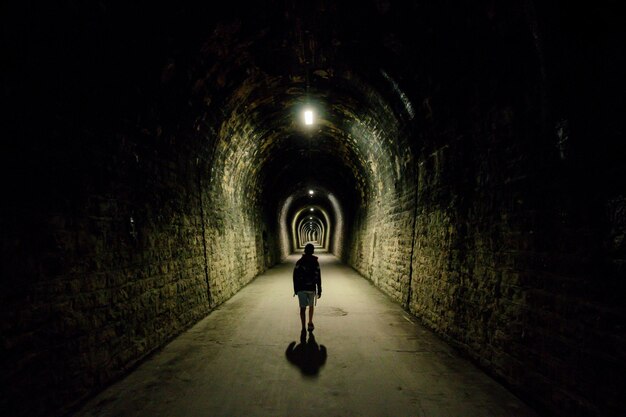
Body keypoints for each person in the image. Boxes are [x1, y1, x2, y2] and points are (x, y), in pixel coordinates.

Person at [293, 243, 322, 331]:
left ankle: (303, 327)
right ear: (313, 251)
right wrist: (319, 289)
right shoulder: (315, 262)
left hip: (301, 288)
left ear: (304, 251)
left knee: (302, 308)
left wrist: (296, 289)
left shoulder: (299, 262)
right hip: (311, 288)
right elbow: (318, 276)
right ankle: (310, 322)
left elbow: (295, 276)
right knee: (311, 306)